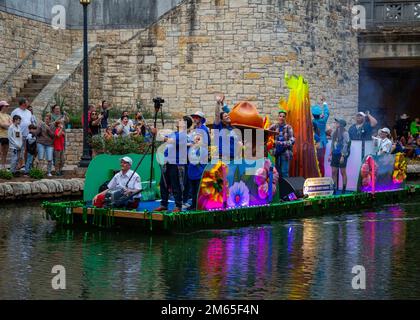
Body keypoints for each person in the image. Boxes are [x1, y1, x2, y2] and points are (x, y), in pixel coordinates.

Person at [154, 118, 189, 213]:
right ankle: (163, 204)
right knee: (163, 183)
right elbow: (164, 137)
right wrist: (155, 132)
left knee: (176, 184)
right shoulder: (174, 133)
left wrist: (160, 135)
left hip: (176, 163)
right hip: (168, 162)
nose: (178, 120)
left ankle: (178, 205)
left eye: (181, 120)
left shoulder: (183, 135)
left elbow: (171, 141)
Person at [214, 94, 241, 161]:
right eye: (225, 116)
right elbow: (217, 115)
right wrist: (218, 103)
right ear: (222, 120)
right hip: (223, 157)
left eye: (228, 116)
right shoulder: (219, 127)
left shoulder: (232, 128)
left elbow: (230, 113)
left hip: (233, 157)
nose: (228, 116)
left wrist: (223, 103)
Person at [269, 110, 295, 178]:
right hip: (276, 153)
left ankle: (285, 188)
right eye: (280, 116)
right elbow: (266, 131)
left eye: (283, 116)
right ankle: (278, 188)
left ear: (285, 118)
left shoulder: (288, 127)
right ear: (278, 117)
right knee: (276, 172)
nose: (281, 118)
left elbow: (292, 140)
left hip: (285, 153)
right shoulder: (274, 126)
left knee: (284, 172)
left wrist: (280, 143)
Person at [328, 118, 351, 194]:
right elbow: (332, 144)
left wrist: (343, 156)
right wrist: (330, 154)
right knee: (333, 171)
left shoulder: (345, 133)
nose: (335, 123)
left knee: (342, 172)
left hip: (342, 154)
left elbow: (346, 145)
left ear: (340, 124)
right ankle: (334, 189)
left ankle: (344, 189)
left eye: (336, 123)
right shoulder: (335, 132)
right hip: (335, 153)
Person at [11, 98, 32, 169]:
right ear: (23, 103)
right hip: (19, 134)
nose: (28, 104)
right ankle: (18, 165)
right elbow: (12, 122)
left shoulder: (29, 112)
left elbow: (30, 121)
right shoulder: (15, 111)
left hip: (28, 134)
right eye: (27, 102)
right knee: (19, 149)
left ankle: (25, 165)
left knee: (27, 150)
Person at [311, 97, 329, 176]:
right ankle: (322, 177)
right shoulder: (323, 120)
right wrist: (324, 102)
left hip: (314, 143)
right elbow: (327, 113)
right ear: (319, 114)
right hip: (322, 143)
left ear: (313, 115)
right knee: (321, 162)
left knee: (314, 162)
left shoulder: (312, 122)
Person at [188, 132, 206, 210]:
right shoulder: (192, 148)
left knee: (199, 191)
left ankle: (199, 205)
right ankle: (193, 204)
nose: (196, 141)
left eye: (199, 139)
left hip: (199, 173)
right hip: (192, 172)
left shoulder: (203, 150)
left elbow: (197, 160)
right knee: (193, 191)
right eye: (195, 139)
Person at [0, 101, 12, 169]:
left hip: (7, 136)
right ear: (2, 107)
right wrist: (7, 125)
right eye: (6, 106)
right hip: (0, 136)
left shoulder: (8, 116)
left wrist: (6, 125)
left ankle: (3, 166)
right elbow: (1, 125)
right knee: (0, 152)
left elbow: (11, 125)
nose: (7, 107)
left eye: (7, 106)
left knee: (5, 152)